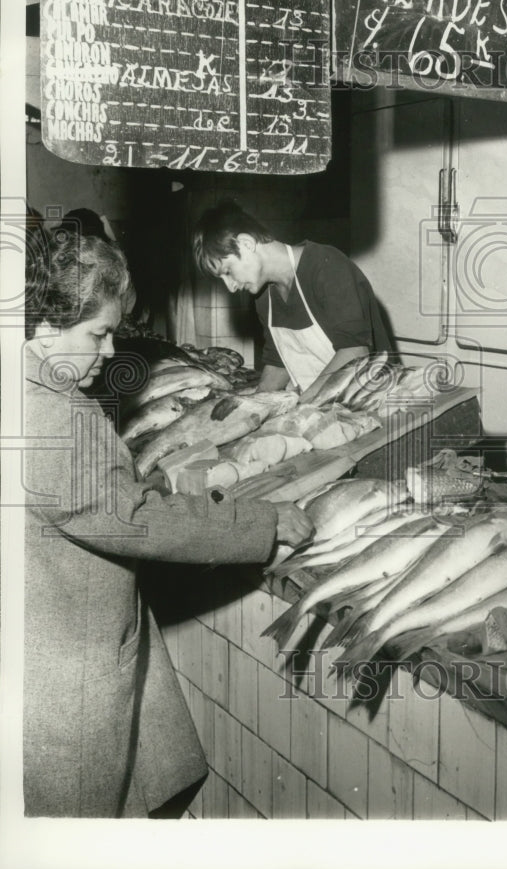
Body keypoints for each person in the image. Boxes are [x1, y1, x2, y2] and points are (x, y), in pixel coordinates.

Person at [22, 225, 313, 817]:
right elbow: (135, 521)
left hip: (63, 634)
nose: (108, 353)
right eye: (97, 334)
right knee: (81, 831)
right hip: (66, 672)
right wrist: (263, 524)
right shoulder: (50, 414)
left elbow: (92, 504)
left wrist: (126, 488)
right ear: (47, 331)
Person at [192, 200, 391, 405]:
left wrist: (303, 404)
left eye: (228, 271)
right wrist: (255, 403)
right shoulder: (263, 295)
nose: (230, 287)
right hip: (322, 407)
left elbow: (355, 352)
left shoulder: (327, 267)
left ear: (246, 243)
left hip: (369, 403)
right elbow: (279, 362)